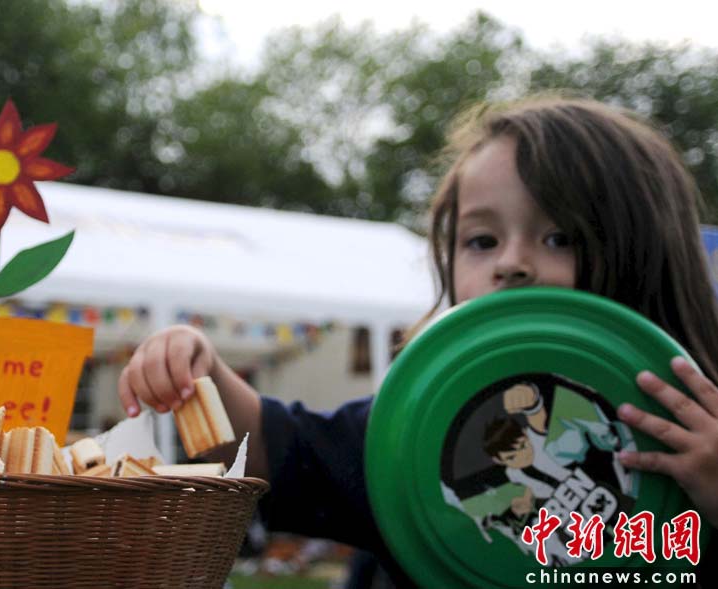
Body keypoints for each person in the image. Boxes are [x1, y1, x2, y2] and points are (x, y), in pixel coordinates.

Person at [116, 95, 718, 586]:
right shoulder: (415, 428)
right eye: (481, 241)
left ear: (649, 253)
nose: (510, 262)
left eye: (560, 237)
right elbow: (276, 450)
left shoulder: (706, 432)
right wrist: (201, 374)